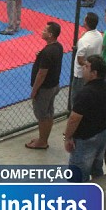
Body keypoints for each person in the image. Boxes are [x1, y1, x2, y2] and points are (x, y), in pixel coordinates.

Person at [64, 54, 106, 181]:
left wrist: (67, 137)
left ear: (94, 73)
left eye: (86, 66)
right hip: (102, 133)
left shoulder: (85, 93)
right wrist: (104, 123)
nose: (83, 67)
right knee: (97, 167)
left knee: (77, 174)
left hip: (85, 139)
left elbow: (74, 119)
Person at [26, 22, 64, 150]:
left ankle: (42, 141)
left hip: (45, 89)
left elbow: (42, 74)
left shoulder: (47, 52)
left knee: (42, 116)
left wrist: (34, 90)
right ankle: (43, 138)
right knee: (48, 113)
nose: (42, 32)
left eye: (45, 30)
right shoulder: (58, 47)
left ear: (50, 34)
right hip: (54, 85)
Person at [73, 13, 103, 102]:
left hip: (81, 73)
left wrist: (89, 65)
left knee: (77, 97)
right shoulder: (99, 35)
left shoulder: (84, 40)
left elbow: (80, 60)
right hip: (93, 70)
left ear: (86, 22)